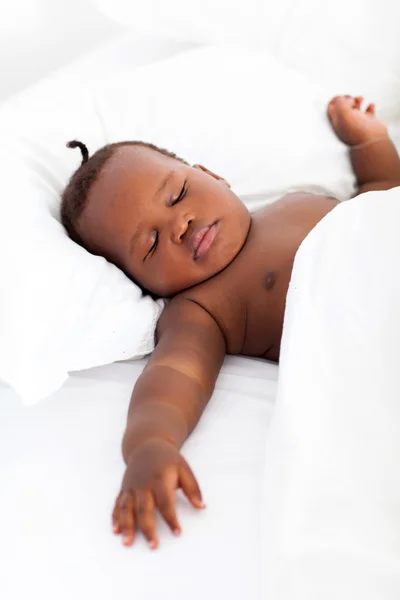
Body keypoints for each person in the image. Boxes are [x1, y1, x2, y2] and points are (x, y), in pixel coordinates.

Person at [61, 95, 400, 550]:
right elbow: (174, 376)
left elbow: (381, 192)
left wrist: (369, 140)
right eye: (151, 244)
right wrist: (149, 445)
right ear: (142, 283)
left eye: (177, 193)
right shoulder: (201, 308)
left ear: (212, 176)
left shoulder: (296, 200)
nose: (178, 225)